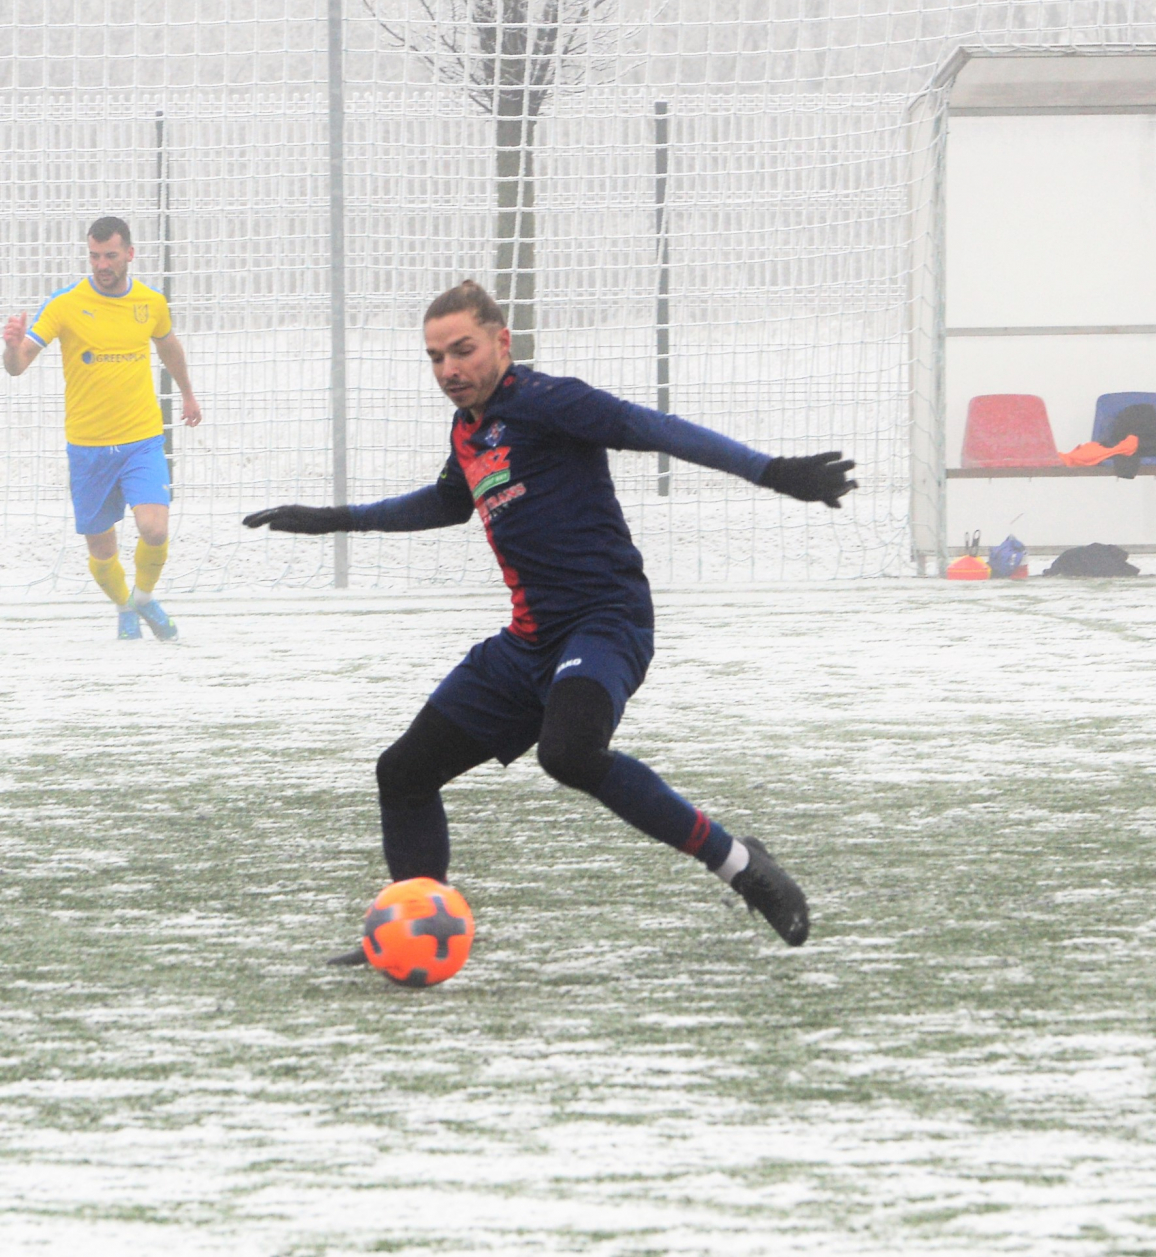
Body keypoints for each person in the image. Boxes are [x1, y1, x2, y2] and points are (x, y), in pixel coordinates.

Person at [244, 280, 856, 951]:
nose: (449, 369)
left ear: (502, 341)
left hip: (606, 621)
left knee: (568, 753)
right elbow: (446, 502)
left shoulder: (549, 401)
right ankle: (415, 931)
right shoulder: (469, 429)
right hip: (528, 642)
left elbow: (656, 428)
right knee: (404, 773)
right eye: (436, 357)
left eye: (463, 350)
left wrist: (771, 471)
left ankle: (743, 867)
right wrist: (334, 518)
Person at [3, 216, 202, 639]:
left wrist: (188, 394)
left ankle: (144, 598)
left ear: (129, 253)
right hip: (88, 446)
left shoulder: (150, 302)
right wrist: (10, 348)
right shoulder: (64, 304)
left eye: (110, 255)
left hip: (141, 440)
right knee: (101, 548)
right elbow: (18, 366)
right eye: (94, 256)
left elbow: (169, 346)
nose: (102, 265)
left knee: (155, 528)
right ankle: (125, 606)